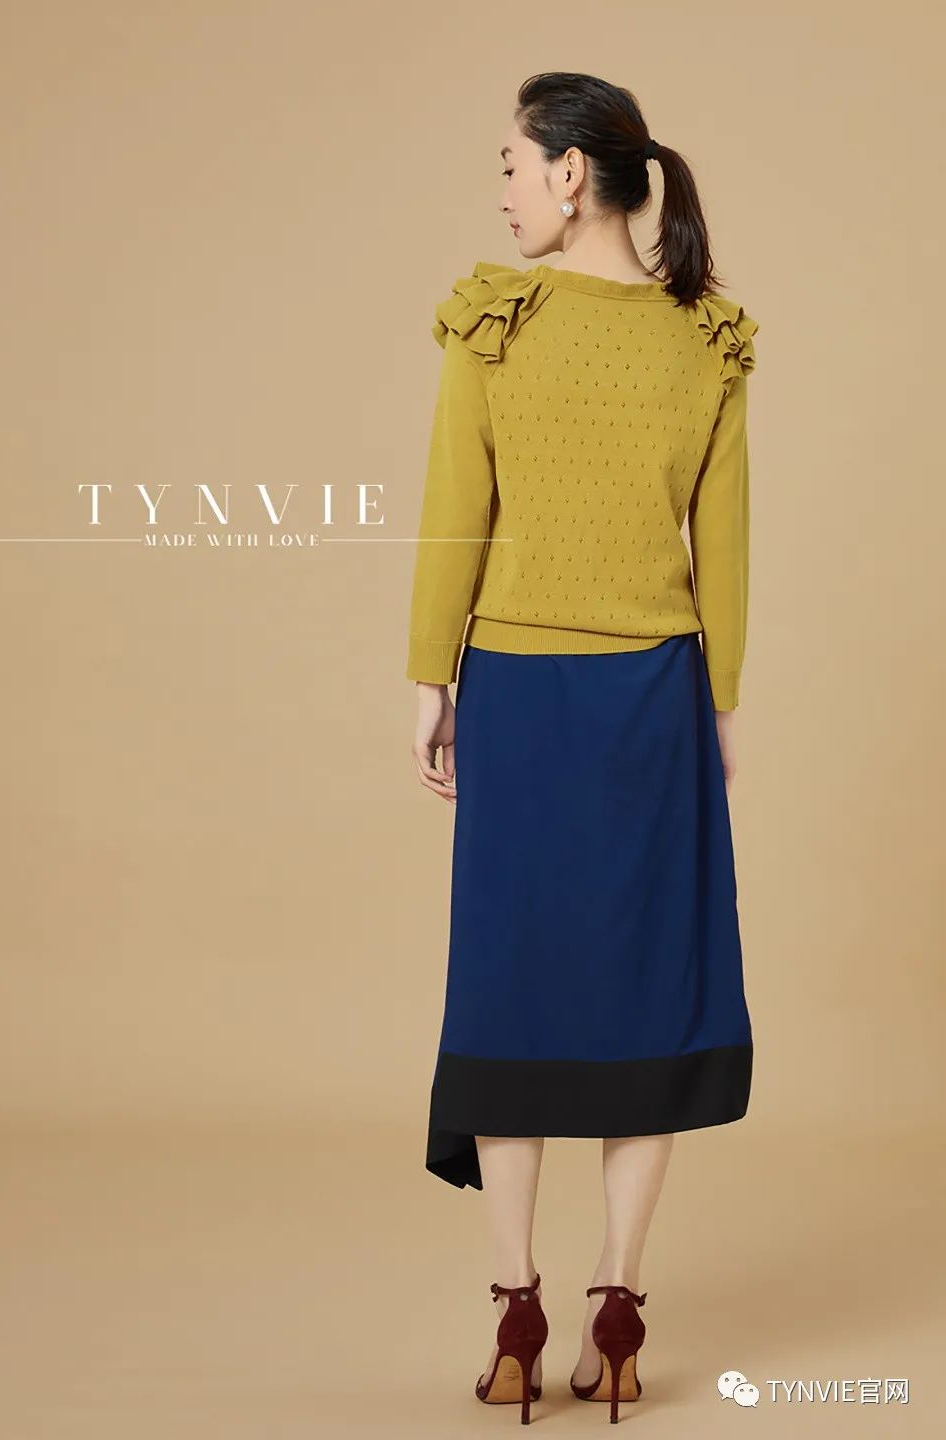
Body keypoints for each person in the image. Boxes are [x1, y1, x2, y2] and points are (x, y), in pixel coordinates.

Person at [405, 71, 759, 1425]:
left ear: (568, 172)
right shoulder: (707, 339)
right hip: (655, 698)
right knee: (643, 987)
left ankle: (517, 1308)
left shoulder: (496, 321)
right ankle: (619, 1306)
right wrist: (720, 705)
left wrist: (432, 678)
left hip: (516, 687)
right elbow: (724, 544)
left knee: (510, 983)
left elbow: (457, 508)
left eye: (509, 163)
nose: (501, 191)